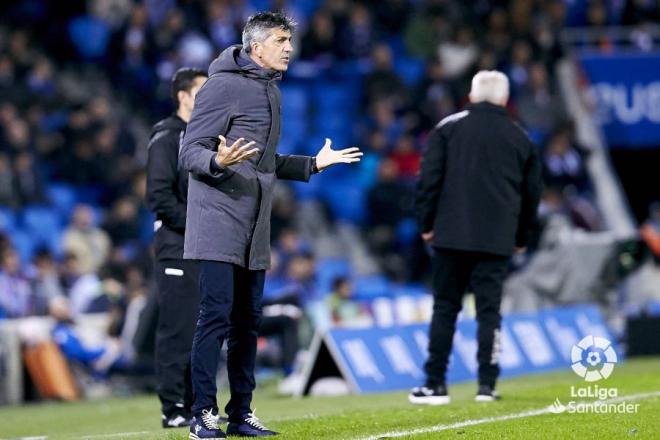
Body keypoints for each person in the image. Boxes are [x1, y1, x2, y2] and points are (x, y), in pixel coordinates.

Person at [179, 12, 362, 439]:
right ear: (256, 46)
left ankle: (240, 413)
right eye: (281, 40)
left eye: (289, 41)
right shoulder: (222, 85)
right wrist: (216, 161)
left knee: (248, 324)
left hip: (254, 228)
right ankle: (202, 414)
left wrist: (313, 164)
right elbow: (190, 152)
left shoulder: (271, 92)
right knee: (215, 319)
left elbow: (265, 163)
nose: (289, 48)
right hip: (217, 225)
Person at [411, 71, 542, 405]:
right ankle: (487, 385)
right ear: (503, 99)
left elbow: (428, 182)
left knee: (445, 308)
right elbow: (532, 195)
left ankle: (435, 384)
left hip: (450, 235)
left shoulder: (448, 128)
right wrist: (522, 235)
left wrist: (427, 223)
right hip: (497, 239)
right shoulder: (521, 138)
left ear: (471, 95)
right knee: (489, 312)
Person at [146, 67, 207, 428]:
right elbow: (157, 196)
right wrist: (201, 223)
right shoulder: (167, 136)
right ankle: (173, 408)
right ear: (183, 97)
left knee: (201, 330)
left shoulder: (205, 136)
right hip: (176, 246)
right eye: (202, 91)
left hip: (202, 247)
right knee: (177, 330)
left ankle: (196, 403)